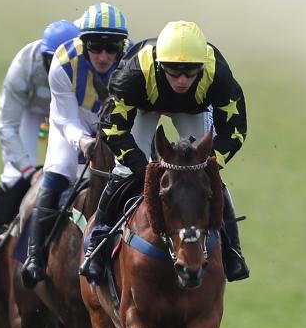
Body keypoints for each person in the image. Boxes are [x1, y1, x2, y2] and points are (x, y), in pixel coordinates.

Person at [78, 20, 249, 283]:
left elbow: (234, 131)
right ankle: (97, 245)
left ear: (202, 67)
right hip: (142, 106)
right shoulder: (134, 73)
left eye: (190, 73)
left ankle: (232, 250)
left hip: (192, 109)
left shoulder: (218, 72)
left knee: (208, 177)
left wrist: (208, 164)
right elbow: (112, 128)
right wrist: (141, 167)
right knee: (124, 172)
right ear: (159, 65)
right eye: (174, 71)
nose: (182, 80)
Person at [0, 18, 81, 283]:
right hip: (33, 110)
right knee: (15, 174)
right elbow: (6, 126)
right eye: (51, 60)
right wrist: (28, 170)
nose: (58, 66)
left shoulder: (87, 65)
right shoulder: (24, 66)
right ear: (42, 56)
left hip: (68, 114)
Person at [21, 3, 130, 287]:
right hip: (74, 119)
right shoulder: (63, 62)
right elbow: (64, 117)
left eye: (111, 48)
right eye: (96, 47)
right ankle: (34, 256)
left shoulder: (133, 62)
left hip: (116, 121)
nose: (103, 56)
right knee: (60, 169)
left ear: (121, 46)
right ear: (83, 43)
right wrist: (82, 140)